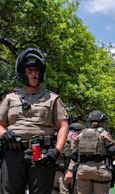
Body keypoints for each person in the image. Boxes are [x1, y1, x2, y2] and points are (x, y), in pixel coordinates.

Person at [0, 47, 69, 193]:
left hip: (42, 153)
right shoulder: (9, 98)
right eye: (29, 70)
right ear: (21, 72)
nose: (34, 74)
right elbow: (0, 124)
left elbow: (63, 125)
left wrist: (57, 151)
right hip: (13, 152)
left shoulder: (53, 98)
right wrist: (3, 133)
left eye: (37, 71)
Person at [65, 110, 115, 194]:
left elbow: (73, 154)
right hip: (100, 169)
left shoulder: (81, 134)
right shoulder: (104, 134)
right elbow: (113, 152)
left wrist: (70, 170)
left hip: (83, 170)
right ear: (102, 121)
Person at [53, 122, 83, 194]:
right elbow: (74, 154)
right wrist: (71, 170)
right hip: (66, 172)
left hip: (53, 171)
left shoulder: (54, 135)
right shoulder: (72, 136)